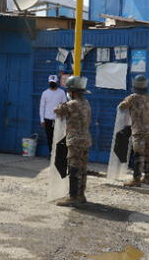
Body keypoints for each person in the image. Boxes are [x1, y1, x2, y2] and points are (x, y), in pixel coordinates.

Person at [53, 75, 92, 207]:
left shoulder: (72, 104)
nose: (68, 93)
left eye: (69, 91)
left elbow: (57, 111)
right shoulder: (86, 103)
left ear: (73, 92)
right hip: (86, 139)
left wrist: (61, 103)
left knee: (74, 168)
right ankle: (81, 195)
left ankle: (73, 197)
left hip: (75, 141)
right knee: (82, 168)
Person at [120, 75, 149, 187]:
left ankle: (136, 179)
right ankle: (148, 178)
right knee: (148, 154)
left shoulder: (133, 97)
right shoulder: (148, 97)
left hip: (139, 130)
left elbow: (122, 106)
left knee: (138, 154)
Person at [39, 75, 66, 155]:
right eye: (51, 82)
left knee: (58, 138)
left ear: (57, 82)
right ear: (48, 82)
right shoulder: (45, 93)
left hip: (58, 119)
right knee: (49, 138)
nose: (52, 84)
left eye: (54, 82)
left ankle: (58, 155)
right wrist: (42, 120)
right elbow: (42, 107)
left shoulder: (61, 92)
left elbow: (64, 105)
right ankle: (51, 154)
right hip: (47, 119)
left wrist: (63, 118)